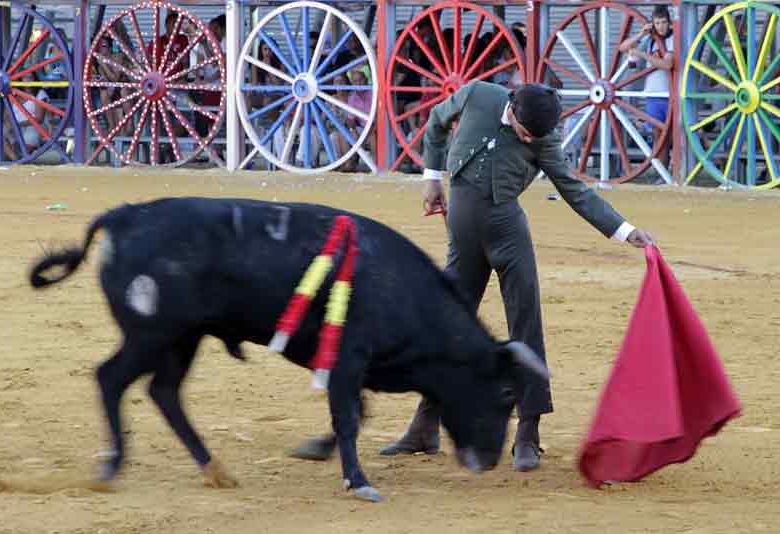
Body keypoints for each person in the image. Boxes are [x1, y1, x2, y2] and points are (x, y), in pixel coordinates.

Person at [289, 81, 655, 470]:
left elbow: (573, 189)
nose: (529, 138)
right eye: (525, 131)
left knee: (525, 325)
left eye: (535, 136)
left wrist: (624, 229)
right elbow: (435, 121)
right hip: (463, 240)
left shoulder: (543, 137)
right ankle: (424, 427)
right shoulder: (478, 95)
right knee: (441, 329)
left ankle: (529, 433)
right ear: (511, 106)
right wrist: (430, 177)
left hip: (509, 237)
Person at [618, 5, 674, 172]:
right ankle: (662, 174)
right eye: (657, 23)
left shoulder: (673, 39)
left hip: (670, 94)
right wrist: (642, 33)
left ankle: (670, 174)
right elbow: (623, 48)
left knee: (671, 136)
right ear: (653, 23)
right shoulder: (649, 39)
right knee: (658, 135)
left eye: (664, 22)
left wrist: (641, 54)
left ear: (669, 22)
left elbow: (667, 64)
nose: (661, 26)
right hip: (653, 94)